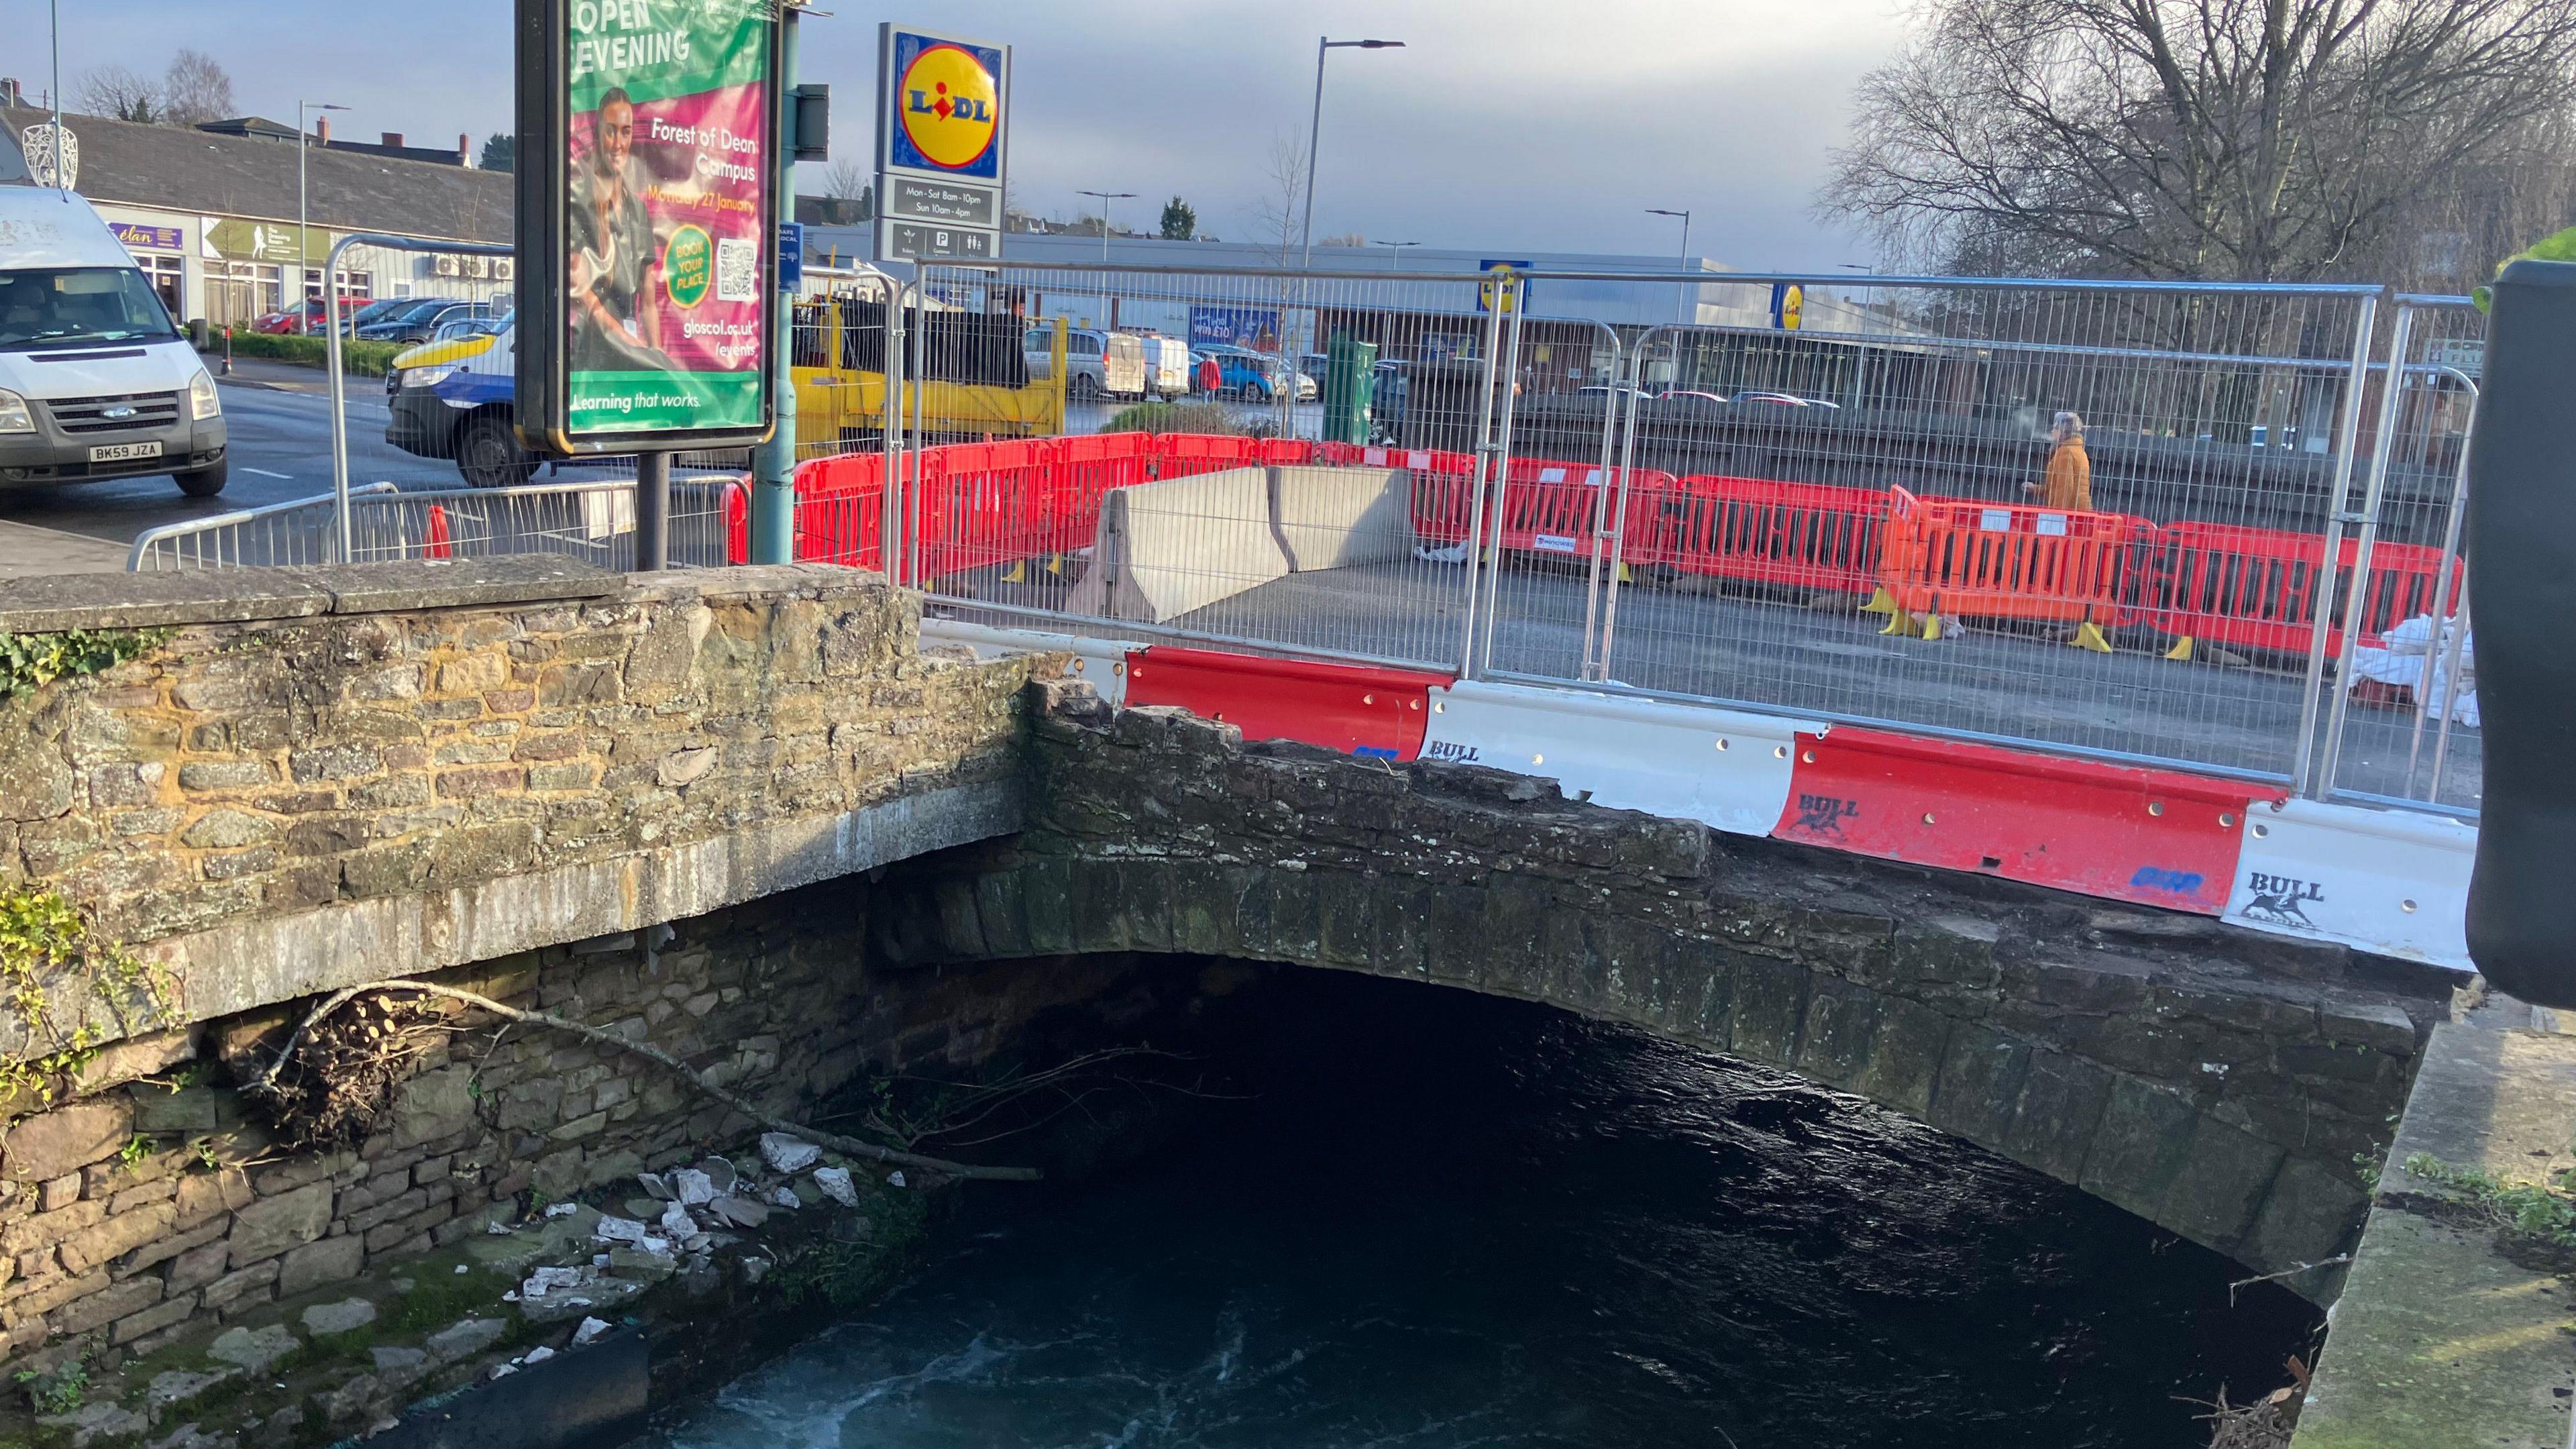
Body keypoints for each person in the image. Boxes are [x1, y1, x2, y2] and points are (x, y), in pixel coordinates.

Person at [568, 87, 675, 374]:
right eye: (611, 131)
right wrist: (624, 339)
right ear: (596, 134)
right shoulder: (579, 199)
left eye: (625, 132)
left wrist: (656, 356)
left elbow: (649, 305)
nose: (618, 143)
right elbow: (582, 290)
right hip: (591, 356)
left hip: (627, 355)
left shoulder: (638, 211)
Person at [2025, 411, 2092, 512]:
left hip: (2070, 517)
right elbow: (2057, 487)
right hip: (2080, 513)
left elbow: (2064, 489)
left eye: (2055, 428)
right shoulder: (2079, 451)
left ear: (2063, 431)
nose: (2052, 432)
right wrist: (2035, 489)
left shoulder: (2065, 452)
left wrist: (2056, 517)